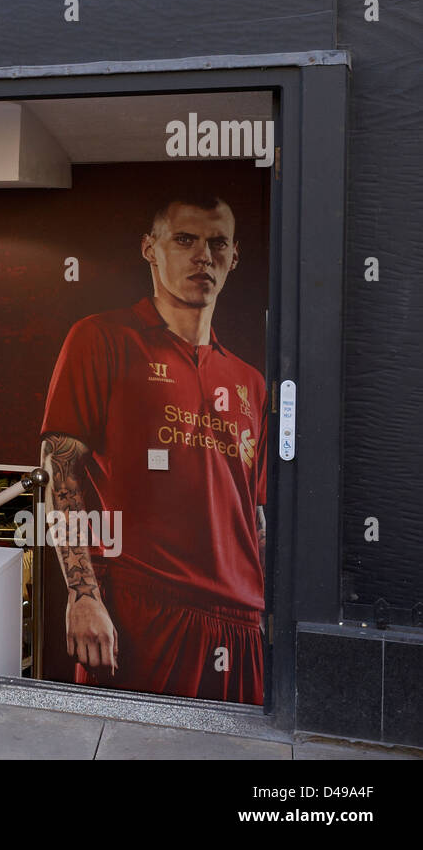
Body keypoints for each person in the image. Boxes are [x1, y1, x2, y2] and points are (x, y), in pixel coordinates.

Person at [39, 193, 267, 704]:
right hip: (141, 606)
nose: (203, 256)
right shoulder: (101, 338)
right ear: (150, 248)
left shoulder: (250, 381)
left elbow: (253, 512)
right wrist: (82, 593)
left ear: (234, 257)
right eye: (185, 240)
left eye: (218, 243)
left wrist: (267, 605)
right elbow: (61, 471)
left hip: (242, 619)